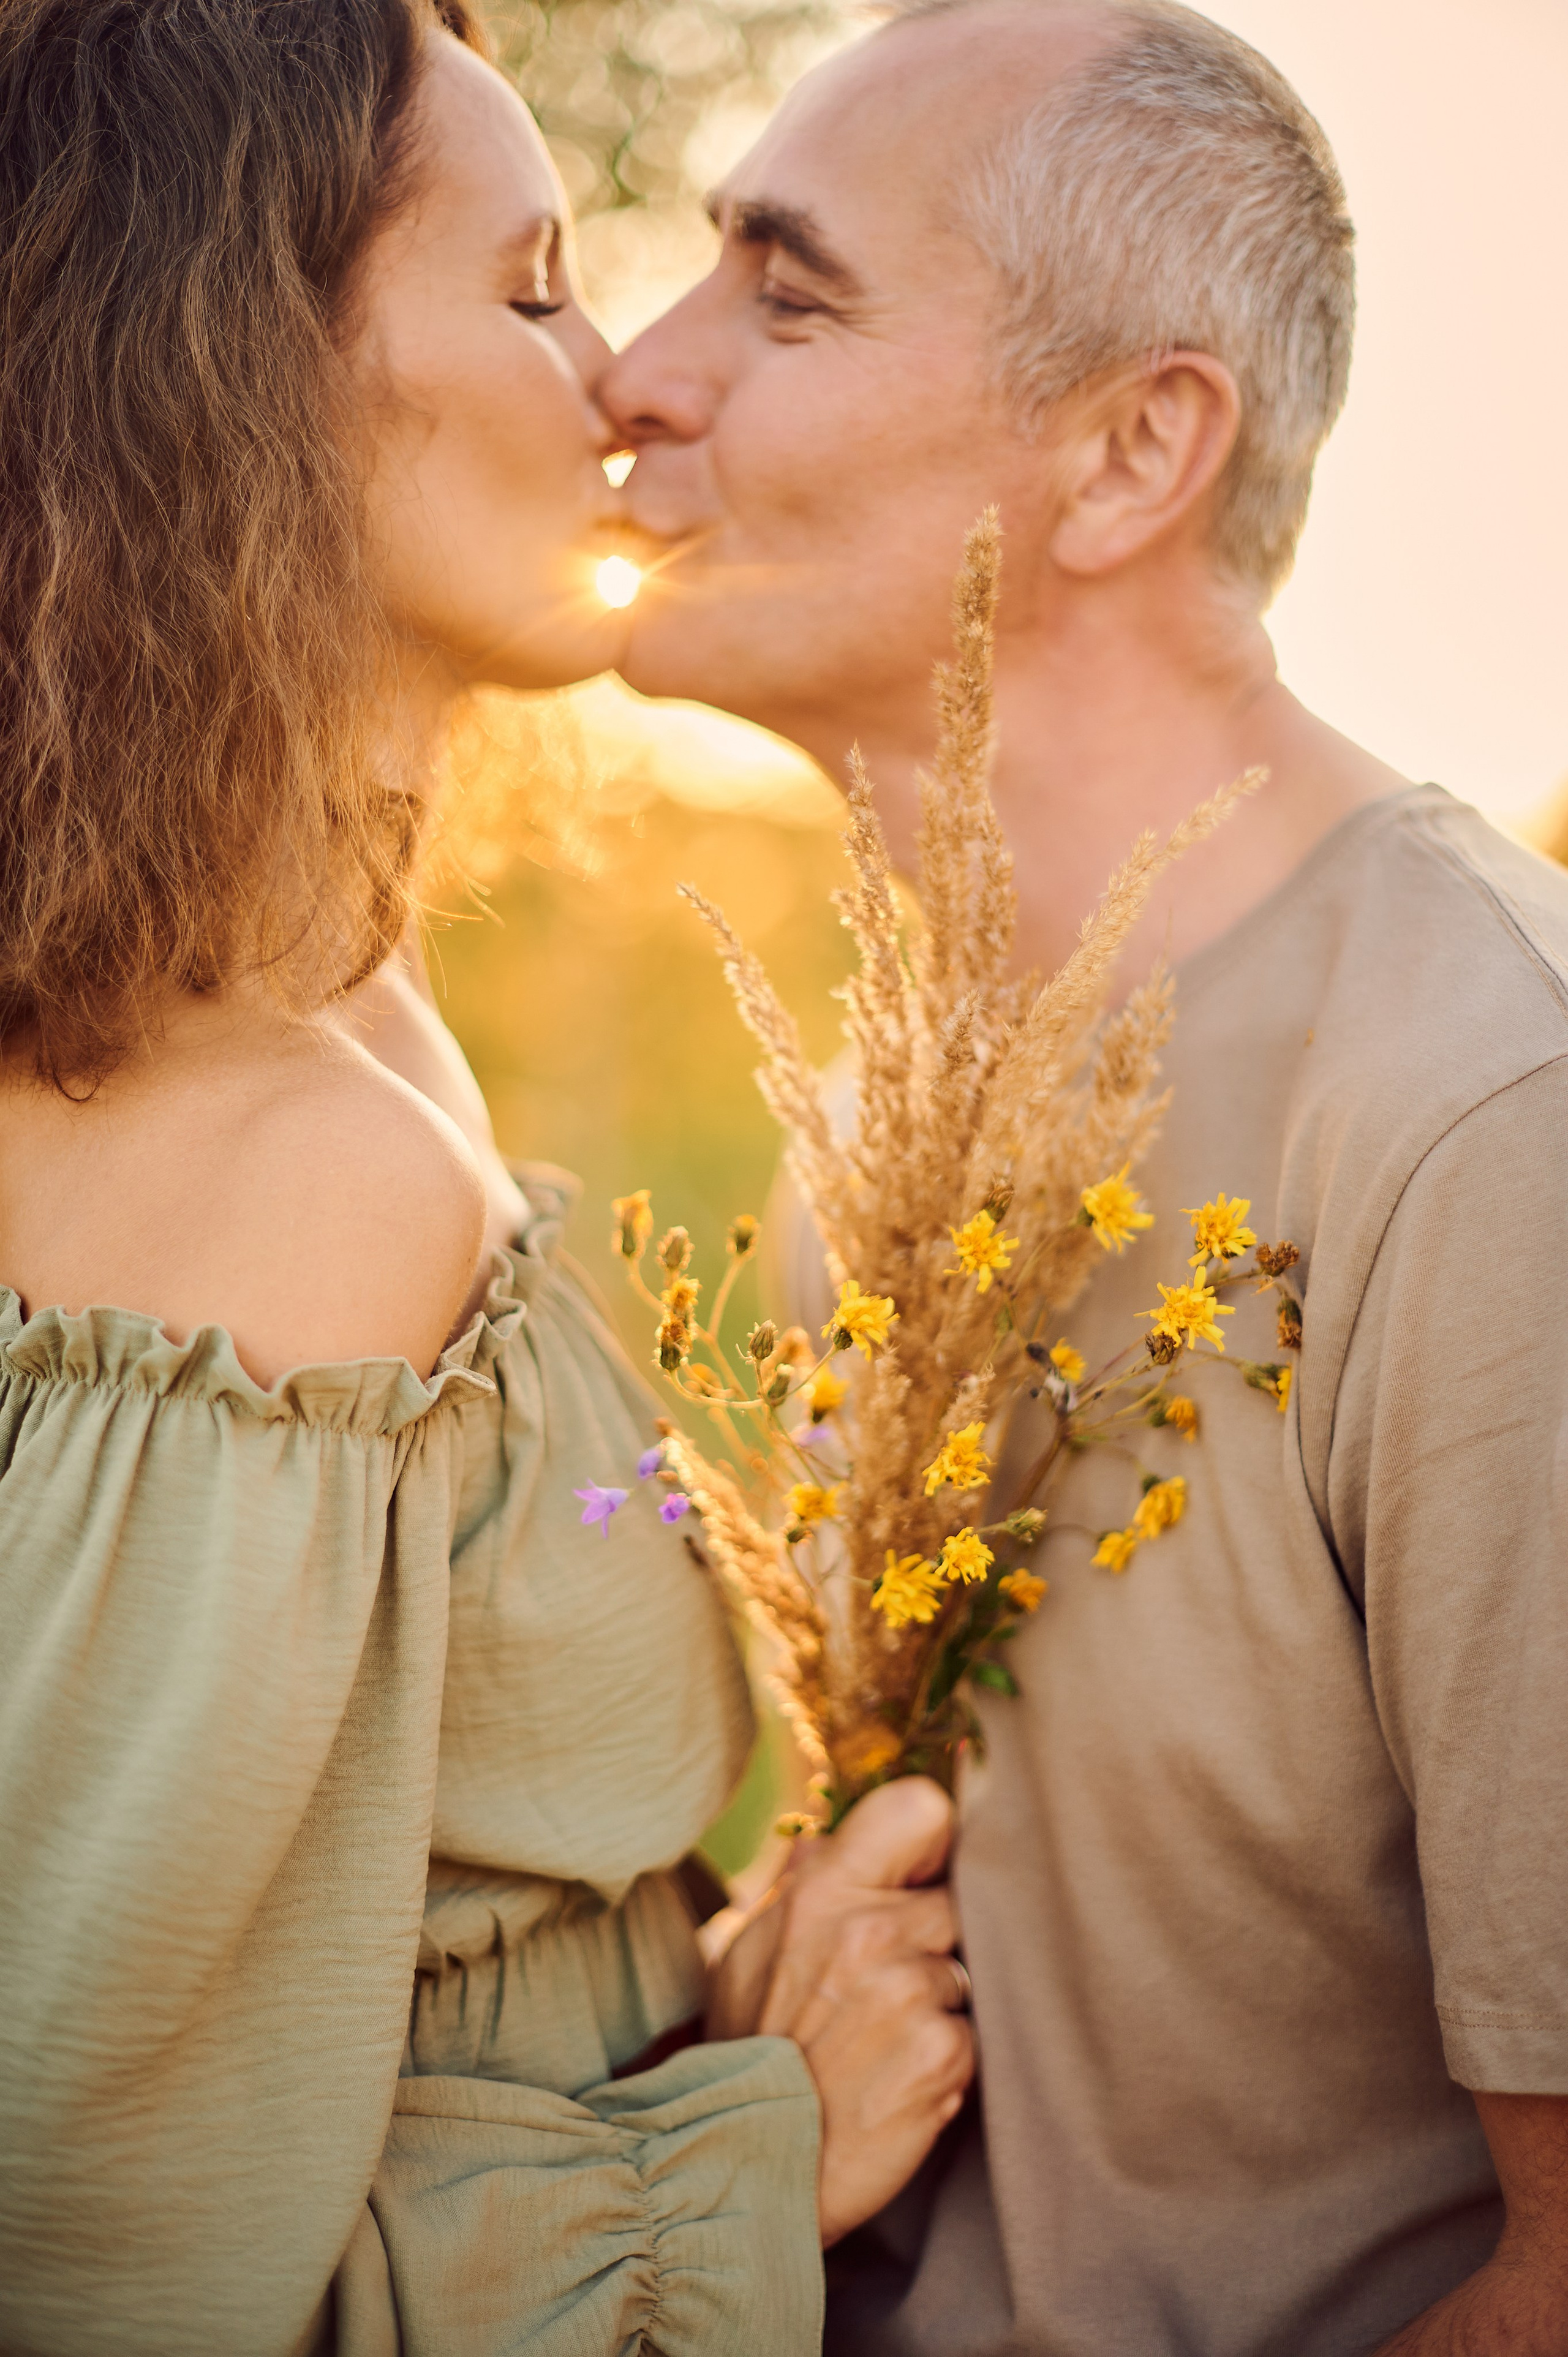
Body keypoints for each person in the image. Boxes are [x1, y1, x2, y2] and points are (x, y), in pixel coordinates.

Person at [0, 4, 974, 2350]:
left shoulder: (345, 1020)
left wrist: (682, 1950)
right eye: (534, 284)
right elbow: (83, 2248)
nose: (627, 375)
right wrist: (736, 2154)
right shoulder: (289, 1170)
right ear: (251, 382)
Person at [600, 1, 1568, 2349]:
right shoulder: (908, 1099)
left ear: (1136, 448)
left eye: (787, 291)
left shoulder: (1476, 1121)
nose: (639, 368)